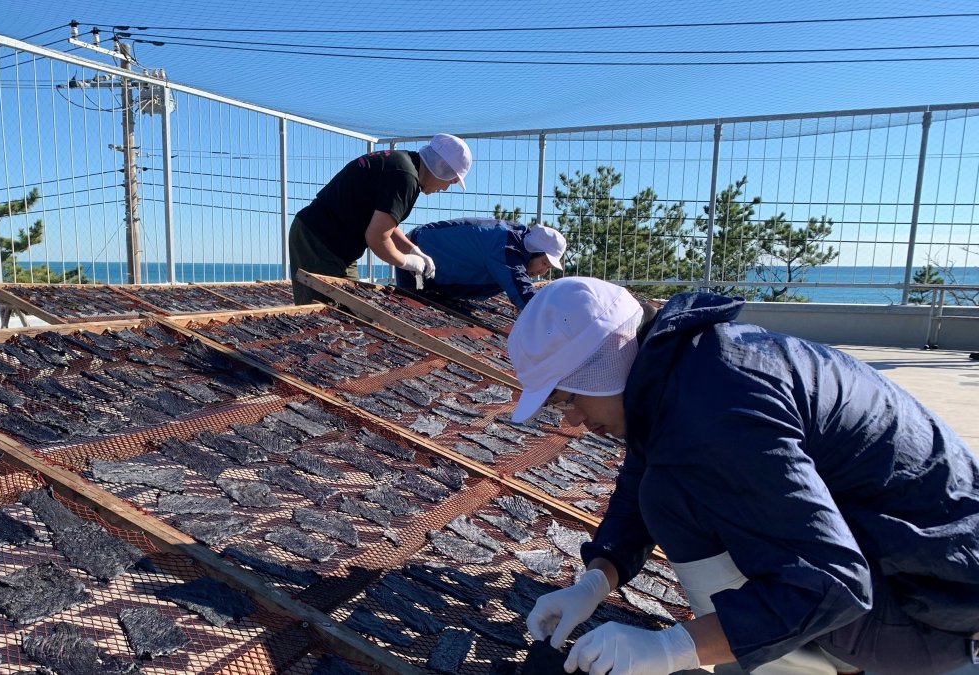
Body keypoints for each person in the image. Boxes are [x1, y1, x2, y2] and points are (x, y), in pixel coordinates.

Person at [506, 277, 979, 675]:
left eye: (567, 399)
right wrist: (595, 580)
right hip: (915, 565)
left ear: (602, 366)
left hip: (936, 605)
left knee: (675, 493)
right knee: (664, 489)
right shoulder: (686, 368)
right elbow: (638, 485)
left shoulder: (719, 408)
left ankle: (789, 666)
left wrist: (674, 647)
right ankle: (780, 650)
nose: (570, 421)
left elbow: (833, 582)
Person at [288, 134, 472, 305]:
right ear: (442, 168)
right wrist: (406, 262)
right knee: (326, 313)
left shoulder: (404, 164)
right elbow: (377, 238)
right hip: (318, 240)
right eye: (452, 181)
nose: (446, 188)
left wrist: (413, 250)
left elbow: (386, 225)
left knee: (353, 309)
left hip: (336, 246)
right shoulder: (405, 177)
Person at [393, 218, 566, 310]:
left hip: (436, 265)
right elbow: (524, 295)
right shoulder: (506, 249)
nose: (542, 271)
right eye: (543, 263)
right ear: (533, 251)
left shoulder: (515, 239)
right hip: (417, 259)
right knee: (411, 308)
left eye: (548, 268)